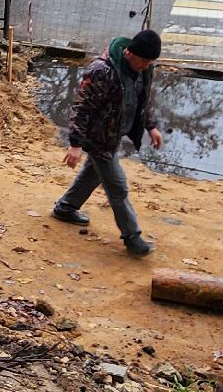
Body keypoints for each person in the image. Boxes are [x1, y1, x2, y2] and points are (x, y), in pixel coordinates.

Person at [53, 29, 164, 257]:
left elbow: (143, 99)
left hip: (113, 135)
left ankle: (65, 208)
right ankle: (132, 237)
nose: (146, 66)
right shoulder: (101, 71)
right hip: (98, 139)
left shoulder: (143, 69)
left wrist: (151, 126)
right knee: (118, 188)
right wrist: (75, 144)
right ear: (129, 52)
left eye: (150, 62)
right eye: (143, 60)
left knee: (93, 174)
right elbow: (81, 108)